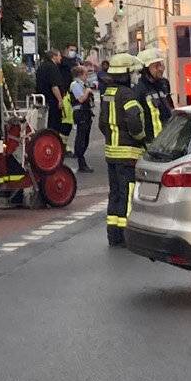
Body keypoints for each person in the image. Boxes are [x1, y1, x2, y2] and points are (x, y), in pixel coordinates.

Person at [98, 53, 147, 247]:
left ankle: (114, 235)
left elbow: (103, 123)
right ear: (126, 73)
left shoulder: (108, 93)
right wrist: (141, 138)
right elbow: (135, 120)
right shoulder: (127, 94)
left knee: (115, 193)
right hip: (128, 153)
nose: (135, 76)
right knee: (127, 194)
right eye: (133, 72)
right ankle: (128, 235)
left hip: (112, 152)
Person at [135, 47, 174, 140]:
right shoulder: (139, 89)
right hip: (151, 142)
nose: (161, 69)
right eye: (156, 66)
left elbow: (170, 109)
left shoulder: (163, 84)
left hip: (167, 140)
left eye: (161, 64)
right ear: (145, 69)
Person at [69, 62, 96, 173]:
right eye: (85, 74)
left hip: (86, 112)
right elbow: (80, 99)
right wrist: (87, 91)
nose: (87, 77)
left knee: (85, 138)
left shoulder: (82, 84)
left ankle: (82, 159)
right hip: (80, 113)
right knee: (81, 137)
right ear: (80, 75)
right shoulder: (75, 85)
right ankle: (81, 161)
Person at [35, 47, 66, 132]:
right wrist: (60, 100)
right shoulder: (52, 67)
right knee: (54, 125)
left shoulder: (42, 66)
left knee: (45, 124)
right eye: (59, 55)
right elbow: (54, 86)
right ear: (54, 56)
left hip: (43, 100)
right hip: (52, 101)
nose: (61, 58)